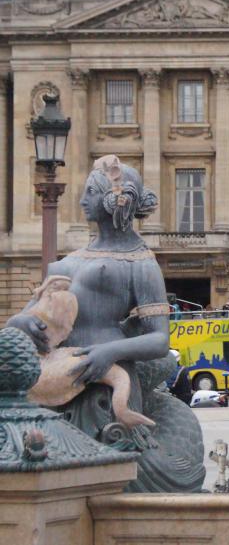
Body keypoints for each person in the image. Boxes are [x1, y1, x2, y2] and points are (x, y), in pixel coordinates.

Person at [5, 155, 204, 492]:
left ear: (115, 200)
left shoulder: (141, 264)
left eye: (91, 193)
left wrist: (109, 352)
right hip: (52, 374)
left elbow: (159, 340)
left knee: (98, 479)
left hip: (103, 387)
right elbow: (19, 318)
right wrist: (24, 323)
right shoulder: (71, 259)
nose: (82, 201)